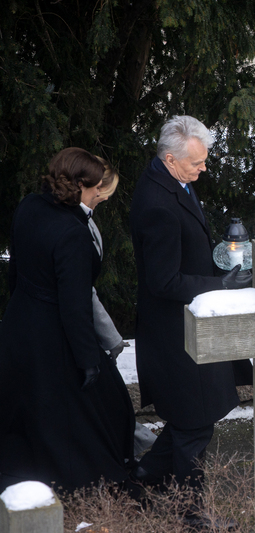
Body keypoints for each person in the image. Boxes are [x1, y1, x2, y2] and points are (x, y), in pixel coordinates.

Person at [129, 115, 252, 528]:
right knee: (194, 424)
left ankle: (144, 480)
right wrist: (220, 284)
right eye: (197, 163)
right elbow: (164, 281)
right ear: (170, 158)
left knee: (192, 421)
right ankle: (193, 515)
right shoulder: (157, 204)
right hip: (174, 333)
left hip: (186, 326)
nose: (204, 169)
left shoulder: (171, 181)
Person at [0, 148, 135, 492]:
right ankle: (87, 481)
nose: (98, 196)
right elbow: (74, 306)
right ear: (78, 186)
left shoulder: (30, 205)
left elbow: (16, 270)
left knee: (28, 405)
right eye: (94, 190)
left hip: (19, 323)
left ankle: (24, 475)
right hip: (53, 333)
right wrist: (88, 360)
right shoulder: (73, 233)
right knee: (102, 405)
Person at [84, 160, 158, 457]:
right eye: (102, 192)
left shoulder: (84, 221)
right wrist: (110, 338)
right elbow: (83, 291)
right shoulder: (76, 227)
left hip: (83, 331)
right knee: (108, 401)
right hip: (79, 333)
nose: (103, 200)